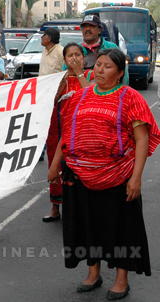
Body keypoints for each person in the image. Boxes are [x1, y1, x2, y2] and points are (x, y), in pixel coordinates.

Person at [48, 49, 160, 300]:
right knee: (88, 225)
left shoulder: (130, 97)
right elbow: (66, 133)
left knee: (120, 228)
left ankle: (122, 279)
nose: (99, 70)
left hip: (118, 176)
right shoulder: (79, 96)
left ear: (120, 73)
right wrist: (55, 166)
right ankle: (93, 273)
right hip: (79, 175)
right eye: (97, 65)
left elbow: (142, 140)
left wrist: (136, 178)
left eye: (107, 66)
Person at [43, 42, 94, 222]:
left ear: (84, 57)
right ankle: (55, 207)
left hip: (83, 131)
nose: (74, 58)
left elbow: (92, 96)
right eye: (70, 55)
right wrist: (61, 84)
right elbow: (50, 101)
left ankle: (81, 209)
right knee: (55, 165)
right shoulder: (58, 77)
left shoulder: (91, 75)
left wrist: (79, 73)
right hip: (58, 127)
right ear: (64, 59)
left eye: (77, 55)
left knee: (80, 167)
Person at [65, 14, 129, 85]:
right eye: (84, 26)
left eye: (92, 26)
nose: (87, 29)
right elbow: (64, 73)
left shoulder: (111, 48)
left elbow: (124, 76)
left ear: (99, 30)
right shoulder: (74, 50)